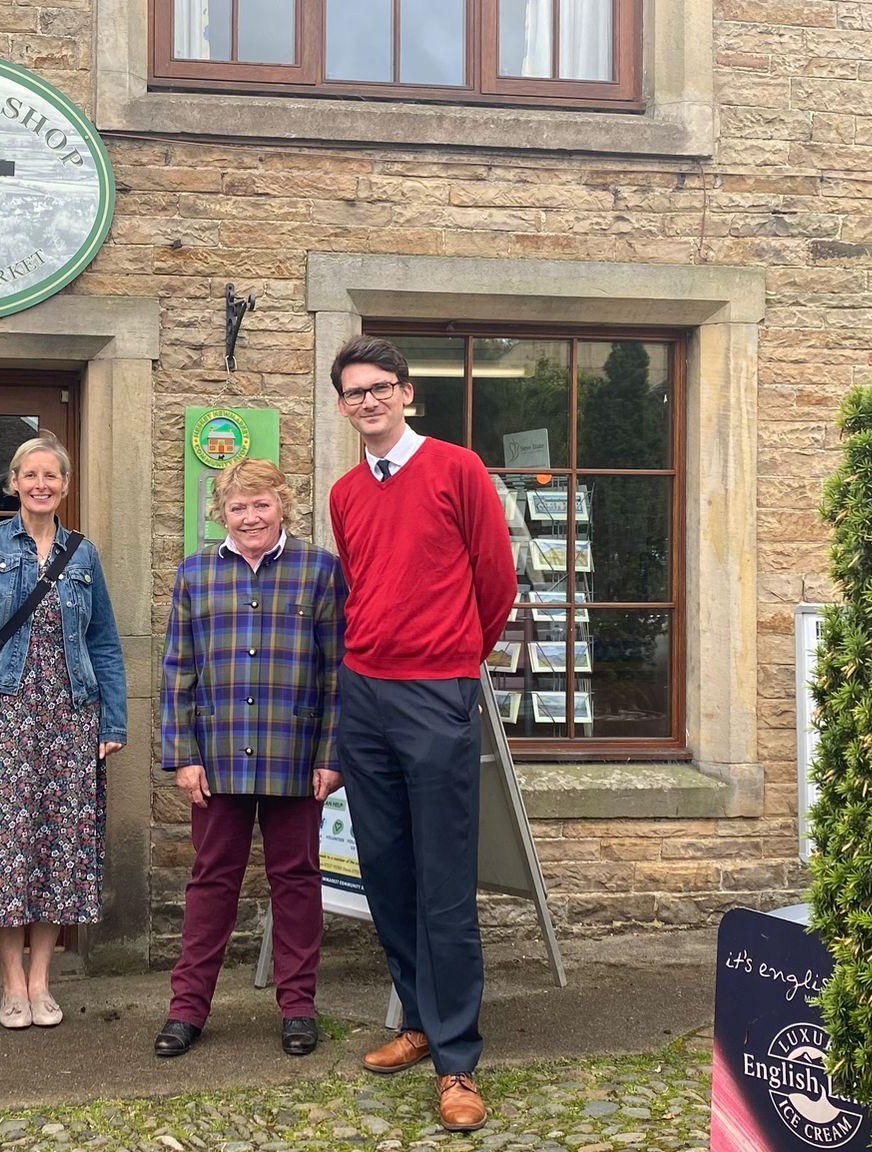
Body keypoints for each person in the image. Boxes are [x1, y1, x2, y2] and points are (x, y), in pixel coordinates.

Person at [326, 335, 517, 1132]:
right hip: (365, 693)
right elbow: (363, 586)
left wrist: (452, 661)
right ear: (342, 405)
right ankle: (415, 1021)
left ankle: (458, 1060)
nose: (368, 401)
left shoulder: (457, 468)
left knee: (443, 883)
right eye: (353, 392)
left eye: (380, 388)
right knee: (387, 873)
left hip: (435, 691)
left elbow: (496, 578)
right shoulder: (344, 492)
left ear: (406, 394)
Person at [153, 458, 346, 1060]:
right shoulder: (194, 575)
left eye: (261, 504)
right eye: (238, 507)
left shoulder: (320, 572)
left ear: (282, 504)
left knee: (296, 881)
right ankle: (187, 1010)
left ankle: (298, 1007)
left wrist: (333, 755)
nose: (250, 517)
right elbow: (177, 672)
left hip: (296, 757)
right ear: (222, 514)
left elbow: (339, 672)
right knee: (212, 883)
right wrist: (183, 756)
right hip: (218, 759)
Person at [0, 435, 127, 1031]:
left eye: (52, 475)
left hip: (71, 713)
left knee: (59, 846)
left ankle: (43, 980)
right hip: (2, 712)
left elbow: (103, 641)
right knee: (4, 848)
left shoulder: (84, 554)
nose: (41, 484)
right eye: (30, 475)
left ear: (65, 486)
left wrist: (112, 718)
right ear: (14, 482)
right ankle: (11, 982)